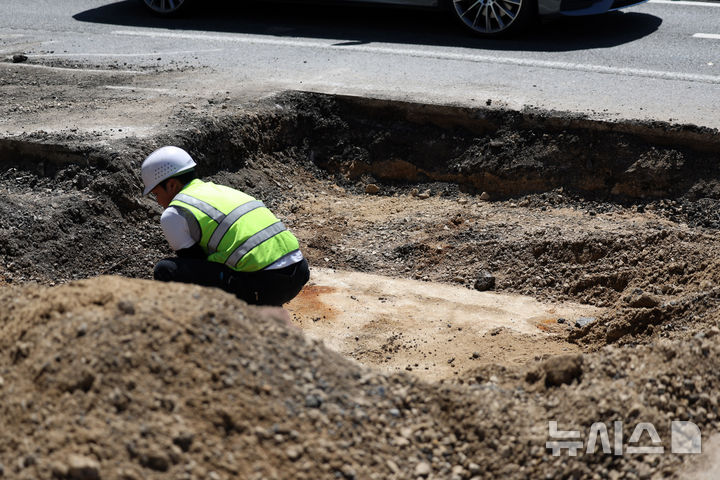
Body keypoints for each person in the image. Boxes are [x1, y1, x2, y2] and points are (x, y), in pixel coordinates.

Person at [141, 145, 309, 306]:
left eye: (156, 193)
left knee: (167, 270)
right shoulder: (220, 191)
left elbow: (196, 264)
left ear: (171, 185)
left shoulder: (174, 213)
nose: (158, 201)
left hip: (266, 286)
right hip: (299, 272)